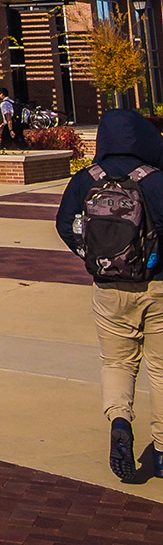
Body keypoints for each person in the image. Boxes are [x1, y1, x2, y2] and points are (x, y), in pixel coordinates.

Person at [54, 108, 163, 482]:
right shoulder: (155, 179)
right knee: (161, 370)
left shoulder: (87, 179)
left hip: (108, 288)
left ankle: (120, 422)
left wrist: (92, 256)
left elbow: (64, 224)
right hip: (157, 286)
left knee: (117, 363)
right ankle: (162, 453)